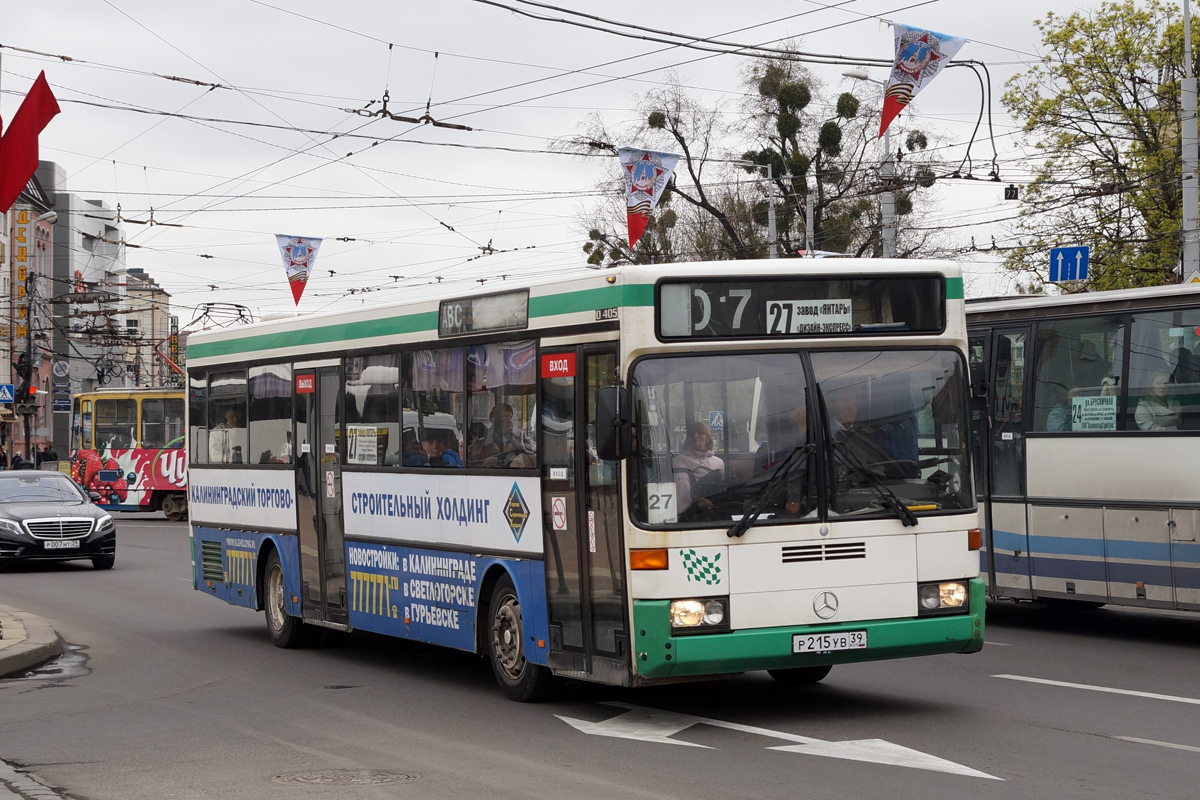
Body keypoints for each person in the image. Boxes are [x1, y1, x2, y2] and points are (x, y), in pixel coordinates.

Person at [673, 421, 725, 514]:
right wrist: (697, 502)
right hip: (692, 512)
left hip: (718, 508)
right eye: (692, 433)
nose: (695, 436)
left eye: (700, 433)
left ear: (708, 438)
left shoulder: (719, 462)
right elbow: (683, 491)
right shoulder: (680, 460)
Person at [482, 403, 535, 468]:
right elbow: (484, 455)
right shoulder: (490, 434)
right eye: (505, 418)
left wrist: (516, 445)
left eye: (510, 418)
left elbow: (534, 448)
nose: (509, 421)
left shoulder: (519, 433)